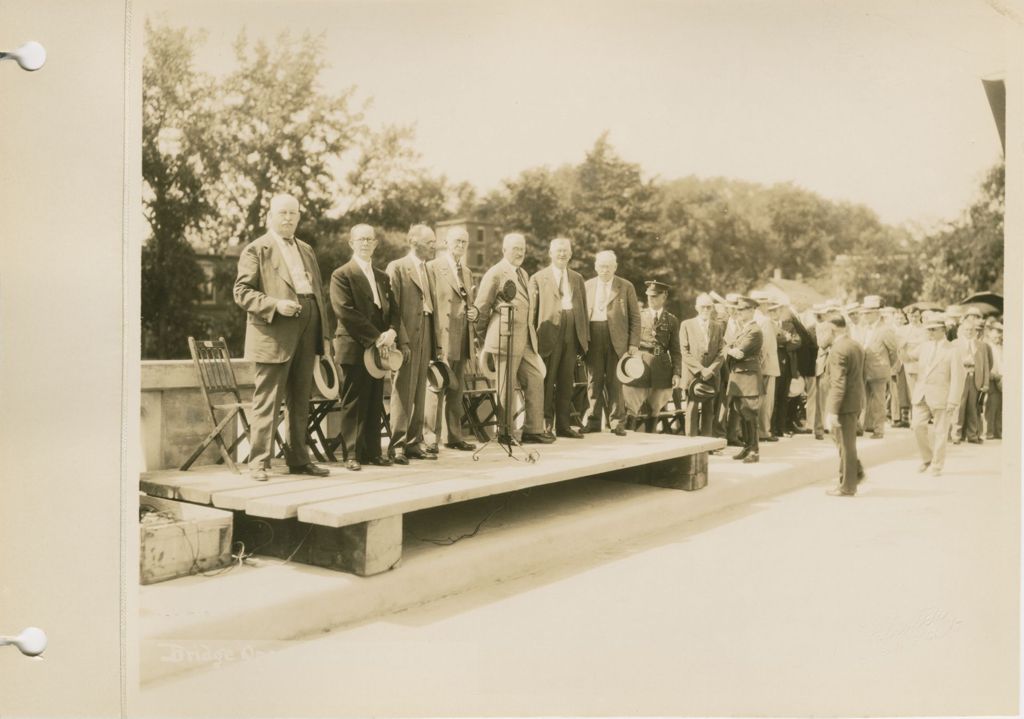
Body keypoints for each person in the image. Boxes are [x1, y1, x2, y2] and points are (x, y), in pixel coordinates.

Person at [233, 193, 332, 481]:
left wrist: (323, 336)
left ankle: (299, 459)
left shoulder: (307, 249)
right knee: (268, 400)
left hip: (308, 325)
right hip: (274, 331)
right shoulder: (256, 249)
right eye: (283, 213)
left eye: (293, 213)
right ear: (270, 217)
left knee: (301, 397)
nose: (288, 218)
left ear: (299, 217)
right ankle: (259, 463)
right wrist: (275, 305)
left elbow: (318, 294)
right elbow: (242, 292)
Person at [330, 224, 400, 471]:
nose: (366, 243)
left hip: (379, 348)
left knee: (374, 399)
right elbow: (345, 312)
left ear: (375, 244)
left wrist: (392, 330)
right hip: (354, 345)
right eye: (361, 239)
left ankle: (373, 452)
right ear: (351, 243)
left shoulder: (382, 276)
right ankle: (351, 454)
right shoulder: (342, 274)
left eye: (370, 239)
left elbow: (393, 310)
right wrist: (377, 337)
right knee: (353, 401)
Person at [474, 233, 552, 444]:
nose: (520, 252)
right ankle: (505, 432)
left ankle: (533, 430)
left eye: (523, 249)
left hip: (525, 339)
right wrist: (484, 340)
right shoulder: (495, 273)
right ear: (504, 250)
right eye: (516, 248)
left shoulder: (523, 273)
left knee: (535, 377)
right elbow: (481, 307)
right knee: (505, 387)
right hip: (504, 339)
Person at [386, 224, 440, 464]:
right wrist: (403, 341)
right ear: (413, 242)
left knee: (419, 388)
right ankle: (397, 445)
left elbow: (431, 308)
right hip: (406, 336)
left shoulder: (428, 270)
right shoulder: (397, 268)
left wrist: (435, 343)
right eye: (430, 242)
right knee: (402, 390)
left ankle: (413, 442)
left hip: (426, 333)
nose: (434, 246)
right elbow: (393, 309)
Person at [529, 237, 590, 438]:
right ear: (551, 254)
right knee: (548, 380)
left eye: (565, 251)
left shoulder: (578, 278)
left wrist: (583, 337)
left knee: (566, 380)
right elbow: (533, 312)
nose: (562, 254)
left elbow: (582, 309)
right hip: (548, 333)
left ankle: (563, 426)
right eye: (558, 251)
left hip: (571, 331)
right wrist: (533, 339)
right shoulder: (538, 278)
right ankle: (545, 426)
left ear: (571, 254)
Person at [425, 227, 478, 452]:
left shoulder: (466, 271)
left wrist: (474, 311)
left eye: (464, 242)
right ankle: (430, 439)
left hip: (462, 335)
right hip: (442, 335)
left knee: (456, 389)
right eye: (457, 241)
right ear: (446, 242)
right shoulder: (433, 268)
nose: (461, 245)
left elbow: (468, 302)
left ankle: (453, 437)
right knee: (436, 386)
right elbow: (429, 305)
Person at [582, 250, 640, 436]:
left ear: (615, 267)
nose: (605, 270)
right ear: (595, 267)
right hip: (593, 336)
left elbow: (635, 317)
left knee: (615, 382)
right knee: (594, 380)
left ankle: (617, 423)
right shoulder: (587, 286)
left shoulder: (626, 286)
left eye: (608, 266)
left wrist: (633, 343)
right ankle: (592, 421)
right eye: (601, 266)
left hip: (617, 339)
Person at [909, 313, 964, 476]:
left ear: (943, 330)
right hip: (921, 394)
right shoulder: (924, 346)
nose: (930, 333)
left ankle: (937, 465)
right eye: (928, 330)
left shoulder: (953, 350)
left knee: (940, 432)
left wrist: (953, 400)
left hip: (942, 396)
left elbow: (957, 378)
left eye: (933, 330)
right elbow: (908, 357)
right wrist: (899, 346)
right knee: (917, 426)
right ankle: (927, 458)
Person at [622, 281, 682, 432]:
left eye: (655, 296)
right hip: (639, 366)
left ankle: (650, 439)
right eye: (649, 296)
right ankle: (629, 440)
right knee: (632, 406)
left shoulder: (671, 320)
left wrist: (676, 373)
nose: (651, 299)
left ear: (664, 297)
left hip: (661, 368)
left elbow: (675, 350)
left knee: (655, 409)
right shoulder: (638, 317)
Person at [824, 315, 866, 496]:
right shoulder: (855, 344)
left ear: (832, 330)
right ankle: (855, 472)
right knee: (844, 443)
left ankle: (848, 486)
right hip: (854, 400)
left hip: (844, 404)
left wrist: (833, 411)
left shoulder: (838, 350)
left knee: (846, 445)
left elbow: (838, 382)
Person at [722, 296, 763, 463]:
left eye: (743, 309)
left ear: (752, 310)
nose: (739, 312)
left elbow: (739, 352)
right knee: (741, 411)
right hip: (740, 376)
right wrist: (730, 348)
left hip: (748, 377)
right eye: (738, 310)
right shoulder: (744, 329)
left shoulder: (754, 331)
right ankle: (747, 447)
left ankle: (754, 450)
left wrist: (727, 348)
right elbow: (733, 349)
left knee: (750, 414)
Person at [679, 293, 725, 437]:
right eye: (703, 307)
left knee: (708, 410)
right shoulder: (686, 325)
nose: (706, 310)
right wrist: (700, 370)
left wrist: (710, 370)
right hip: (693, 375)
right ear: (696, 308)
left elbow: (721, 352)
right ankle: (691, 444)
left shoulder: (717, 327)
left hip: (711, 375)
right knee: (692, 409)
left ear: (712, 309)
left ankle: (706, 444)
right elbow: (684, 351)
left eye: (709, 307)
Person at [857, 295, 897, 439]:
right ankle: (864, 426)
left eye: (868, 313)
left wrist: (886, 365)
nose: (865, 316)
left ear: (877, 313)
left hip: (879, 369)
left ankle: (879, 430)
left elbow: (893, 351)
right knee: (863, 399)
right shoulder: (863, 328)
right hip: (863, 369)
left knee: (879, 401)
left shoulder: (886, 329)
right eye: (864, 313)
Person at [951, 310, 991, 445]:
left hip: (975, 378)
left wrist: (985, 383)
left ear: (976, 331)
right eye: (966, 330)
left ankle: (972, 435)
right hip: (961, 378)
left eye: (971, 330)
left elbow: (985, 365)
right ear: (962, 330)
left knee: (973, 408)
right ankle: (956, 435)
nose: (969, 332)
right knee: (959, 407)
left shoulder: (981, 346)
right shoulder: (955, 344)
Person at [751, 292, 781, 443]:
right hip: (767, 365)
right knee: (766, 401)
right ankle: (764, 431)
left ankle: (756, 430)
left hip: (757, 365)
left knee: (757, 399)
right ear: (762, 304)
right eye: (766, 303)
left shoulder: (753, 318)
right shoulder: (765, 321)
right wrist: (760, 365)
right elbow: (766, 346)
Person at [984, 320, 1003, 440]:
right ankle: (990, 431)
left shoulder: (1001, 347)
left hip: (1002, 378)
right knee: (991, 405)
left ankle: (998, 431)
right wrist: (993, 375)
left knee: (1000, 406)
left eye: (999, 334)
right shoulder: (988, 347)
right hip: (992, 378)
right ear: (990, 334)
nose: (998, 336)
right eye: (995, 335)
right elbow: (986, 364)